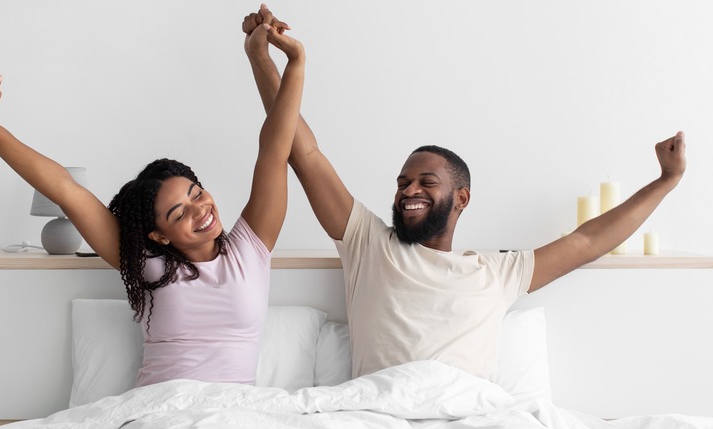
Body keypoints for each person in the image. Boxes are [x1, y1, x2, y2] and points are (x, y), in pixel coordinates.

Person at [242, 5, 686, 381]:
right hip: (377, 417)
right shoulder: (368, 243)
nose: (408, 190)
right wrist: (261, 57)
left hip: (468, 417)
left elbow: (587, 241)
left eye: (425, 182)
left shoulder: (496, 272)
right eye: (402, 183)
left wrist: (665, 181)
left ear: (462, 198)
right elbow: (305, 153)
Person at [0, 21, 305, 387]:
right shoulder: (149, 266)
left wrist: (294, 63)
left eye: (196, 193)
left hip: (233, 416)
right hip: (159, 413)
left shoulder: (249, 250)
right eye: (178, 213)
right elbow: (67, 190)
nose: (200, 209)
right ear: (159, 235)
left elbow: (274, 150)